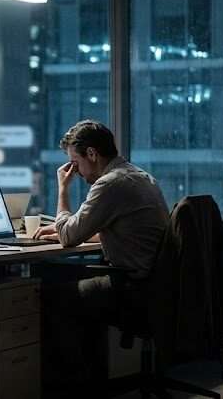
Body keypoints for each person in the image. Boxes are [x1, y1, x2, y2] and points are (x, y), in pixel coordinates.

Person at [32, 119, 170, 395]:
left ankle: (73, 387)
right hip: (156, 284)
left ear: (92, 154)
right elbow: (119, 231)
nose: (77, 171)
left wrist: (63, 190)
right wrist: (64, 230)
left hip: (133, 286)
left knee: (52, 296)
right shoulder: (137, 175)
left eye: (75, 162)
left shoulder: (109, 184)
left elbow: (70, 236)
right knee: (66, 281)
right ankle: (90, 381)